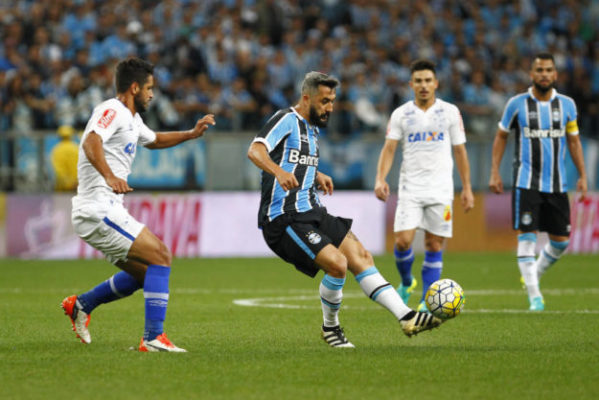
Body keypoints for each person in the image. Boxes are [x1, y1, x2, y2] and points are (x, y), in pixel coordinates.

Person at [247, 71, 442, 348]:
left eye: (333, 101)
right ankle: (331, 329)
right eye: (325, 101)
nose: (330, 108)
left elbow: (294, 160)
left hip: (313, 211)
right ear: (306, 98)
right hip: (284, 219)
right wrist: (277, 172)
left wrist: (316, 174)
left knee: (361, 257)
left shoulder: (311, 130)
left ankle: (407, 317)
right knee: (337, 264)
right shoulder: (286, 119)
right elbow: (255, 151)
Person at [61, 57, 215, 351]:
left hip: (103, 210)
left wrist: (191, 134)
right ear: (134, 88)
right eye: (149, 88)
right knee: (161, 255)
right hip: (98, 207)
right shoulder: (112, 110)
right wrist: (109, 176)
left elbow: (154, 139)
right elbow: (91, 141)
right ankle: (153, 337)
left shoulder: (132, 119)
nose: (152, 94)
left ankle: (82, 304)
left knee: (146, 274)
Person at [489, 52, 587, 311]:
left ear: (555, 75)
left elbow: (574, 141)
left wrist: (583, 175)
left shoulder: (567, 105)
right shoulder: (517, 104)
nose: (544, 74)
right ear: (532, 74)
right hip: (526, 181)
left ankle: (532, 275)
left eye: (548, 70)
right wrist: (494, 172)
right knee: (527, 237)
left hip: (557, 184)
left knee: (561, 242)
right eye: (539, 70)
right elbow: (501, 136)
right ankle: (535, 297)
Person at [374, 59, 475, 312]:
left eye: (428, 80)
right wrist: (380, 178)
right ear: (411, 84)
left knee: (433, 244)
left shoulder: (450, 112)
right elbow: (389, 149)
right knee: (402, 242)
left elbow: (460, 151)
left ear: (436, 83)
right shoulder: (401, 114)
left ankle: (425, 301)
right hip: (411, 189)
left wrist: (468, 188)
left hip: (441, 189)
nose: (423, 85)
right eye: (418, 81)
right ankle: (407, 282)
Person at [50, 125, 79, 191]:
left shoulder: (57, 149)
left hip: (61, 186)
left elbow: (58, 169)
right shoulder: (76, 148)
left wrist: (66, 183)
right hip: (76, 185)